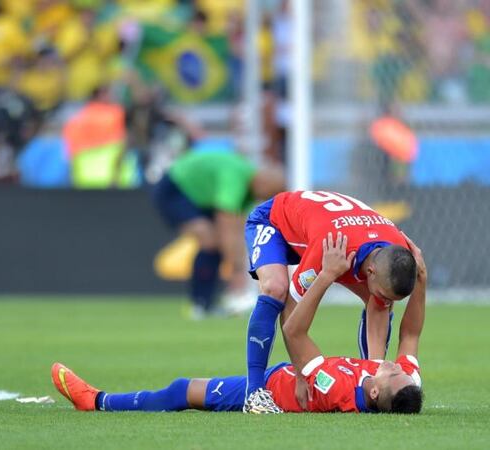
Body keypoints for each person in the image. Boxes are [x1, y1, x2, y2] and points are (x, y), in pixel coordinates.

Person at [52, 231, 426, 414]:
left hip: (273, 393)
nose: (393, 365)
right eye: (402, 372)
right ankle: (99, 400)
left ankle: (98, 402)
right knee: (186, 390)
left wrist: (326, 276)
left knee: (185, 391)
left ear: (374, 393)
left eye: (392, 374)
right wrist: (421, 280)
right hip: (286, 376)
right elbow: (409, 334)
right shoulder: (401, 382)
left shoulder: (338, 388)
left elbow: (294, 330)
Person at [241, 190, 421, 413]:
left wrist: (374, 376)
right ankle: (255, 393)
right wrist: (301, 373)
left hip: (332, 233)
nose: (387, 301)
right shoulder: (331, 247)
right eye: (386, 295)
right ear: (372, 271)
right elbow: (293, 312)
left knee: (376, 301)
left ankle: (371, 370)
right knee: (276, 288)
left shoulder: (396, 249)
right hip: (274, 222)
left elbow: (381, 302)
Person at [151, 151, 284, 319]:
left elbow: (237, 232)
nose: (265, 199)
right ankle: (199, 304)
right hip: (176, 188)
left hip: (200, 197)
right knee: (210, 241)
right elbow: (227, 227)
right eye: (268, 194)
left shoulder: (249, 192)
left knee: (217, 243)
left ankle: (207, 303)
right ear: (263, 182)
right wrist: (236, 273)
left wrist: (239, 266)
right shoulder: (235, 180)